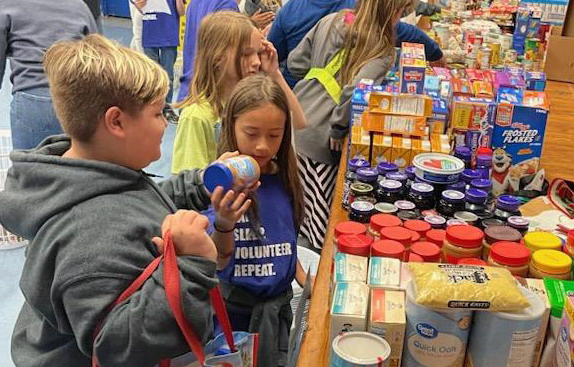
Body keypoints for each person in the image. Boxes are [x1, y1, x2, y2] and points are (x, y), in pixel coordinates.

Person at [0, 34, 242, 367]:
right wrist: (192, 264)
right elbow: (119, 343)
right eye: (158, 112)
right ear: (116, 122)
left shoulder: (89, 171)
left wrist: (201, 183)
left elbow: (137, 201)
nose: (164, 123)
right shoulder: (90, 237)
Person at [208, 74, 307, 367]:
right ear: (231, 128)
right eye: (251, 133)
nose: (263, 146)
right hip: (234, 318)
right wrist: (223, 224)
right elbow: (216, 262)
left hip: (275, 316)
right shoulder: (218, 186)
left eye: (275, 135)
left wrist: (304, 277)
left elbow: (283, 239)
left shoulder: (287, 178)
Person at [289, 0, 412, 248]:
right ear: (391, 11)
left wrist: (320, 78)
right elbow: (356, 90)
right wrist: (338, 126)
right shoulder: (382, 48)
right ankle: (311, 279)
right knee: (320, 226)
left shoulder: (333, 20)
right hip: (323, 136)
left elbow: (295, 62)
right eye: (401, 12)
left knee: (298, 208)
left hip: (298, 118)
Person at [172, 11, 305, 174]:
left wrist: (275, 73)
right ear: (217, 57)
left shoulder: (253, 101)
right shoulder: (198, 116)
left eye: (258, 53)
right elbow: (188, 183)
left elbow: (299, 123)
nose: (257, 62)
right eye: (246, 54)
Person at [0, 0, 97, 150]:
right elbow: (100, 61)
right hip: (76, 102)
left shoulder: (2, 4)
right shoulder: (79, 6)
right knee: (76, 171)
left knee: (31, 170)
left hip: (32, 102)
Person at [268, 0, 444, 88]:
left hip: (297, 95)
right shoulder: (353, 9)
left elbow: (274, 59)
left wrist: (311, 79)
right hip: (336, 107)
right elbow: (399, 30)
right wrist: (435, 52)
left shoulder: (290, 9)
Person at [178, 0, 275, 102]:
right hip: (214, 93)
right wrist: (251, 25)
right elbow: (226, 41)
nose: (256, 62)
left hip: (190, 87)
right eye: (247, 54)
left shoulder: (195, 3)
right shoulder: (226, 4)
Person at [136, 0, 186, 123]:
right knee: (152, 75)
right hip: (149, 35)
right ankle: (153, 106)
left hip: (168, 36)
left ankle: (167, 107)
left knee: (167, 74)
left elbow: (181, 12)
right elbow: (138, 7)